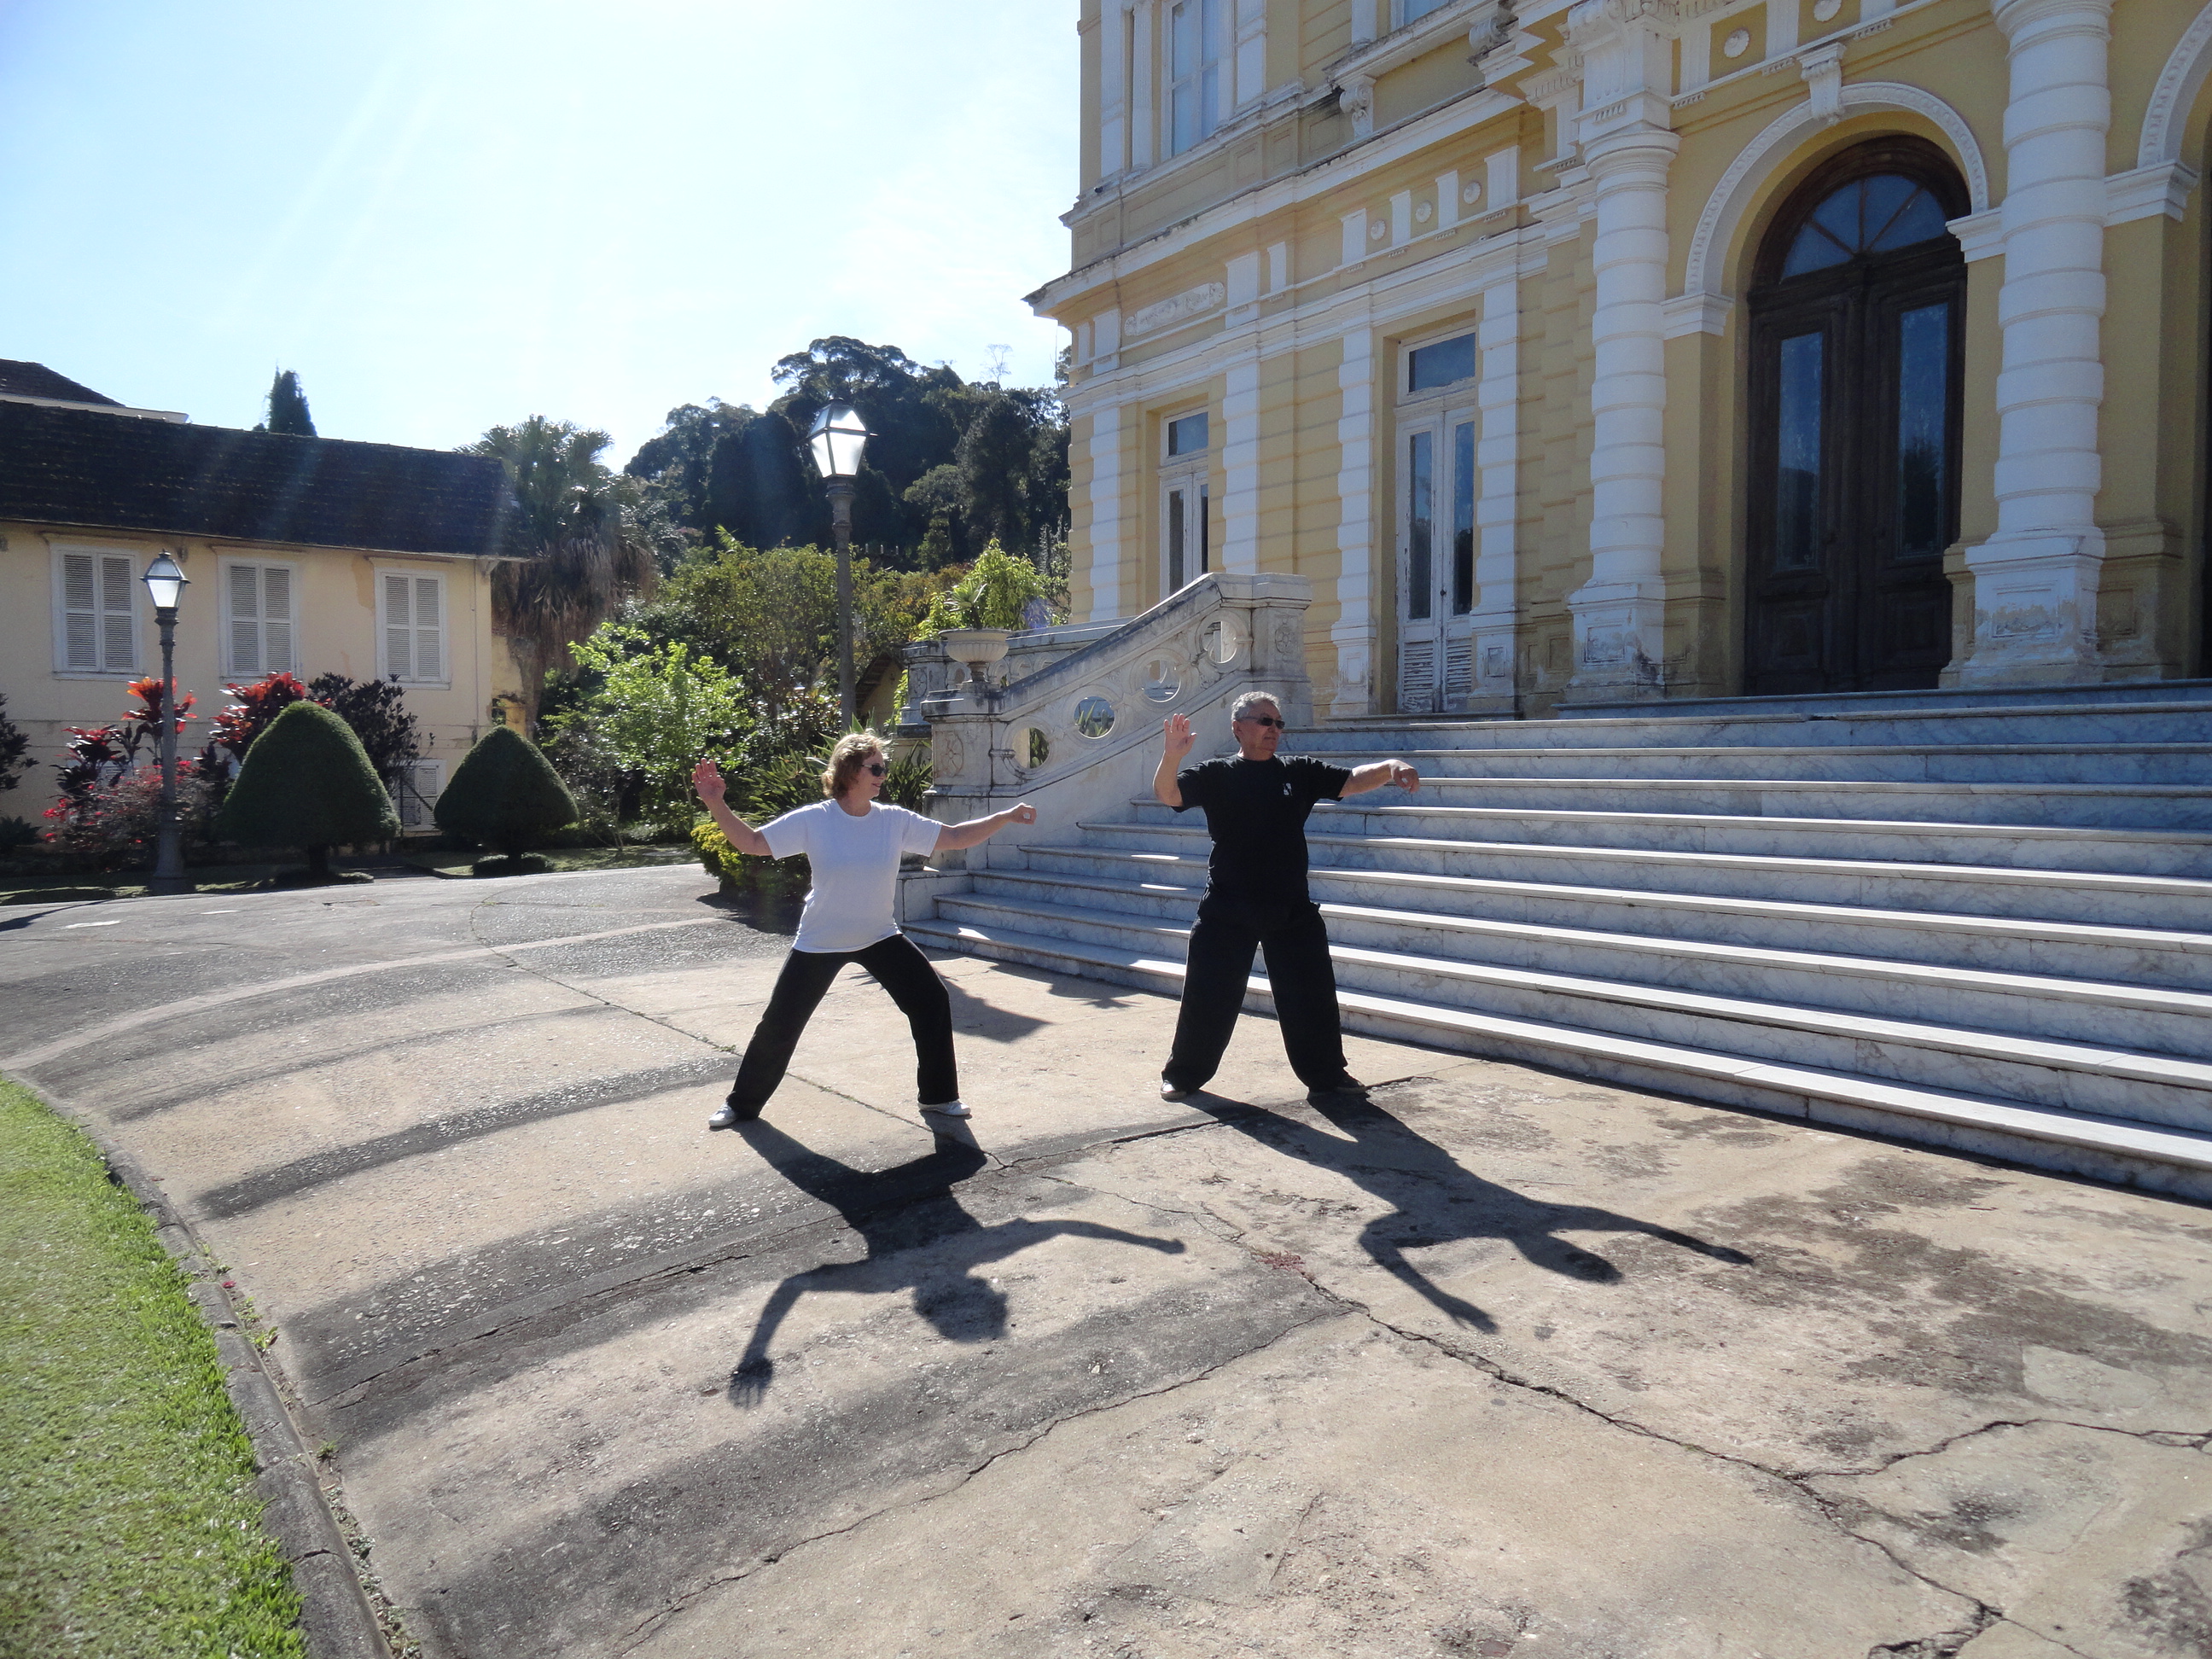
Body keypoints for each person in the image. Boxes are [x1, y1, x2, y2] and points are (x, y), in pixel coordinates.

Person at [691, 733, 1036, 1128]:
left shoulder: (892, 820)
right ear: (849, 770)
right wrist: (715, 803)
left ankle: (939, 1098)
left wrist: (1005, 816)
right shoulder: (815, 819)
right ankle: (741, 1104)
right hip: (820, 940)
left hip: (879, 935)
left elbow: (955, 837)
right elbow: (752, 843)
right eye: (875, 767)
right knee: (780, 1025)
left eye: (883, 767)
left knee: (931, 1001)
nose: (882, 775)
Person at [1153, 691, 1419, 1105]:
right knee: (1208, 996)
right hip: (1228, 907)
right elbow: (1169, 795)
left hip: (1291, 907)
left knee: (1312, 996)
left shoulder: (1299, 771)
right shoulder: (1217, 773)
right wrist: (1172, 756)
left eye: (1278, 723)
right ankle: (1184, 1075)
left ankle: (1327, 1075)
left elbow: (1348, 782)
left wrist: (1388, 768)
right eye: (1264, 721)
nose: (1273, 730)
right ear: (1238, 727)